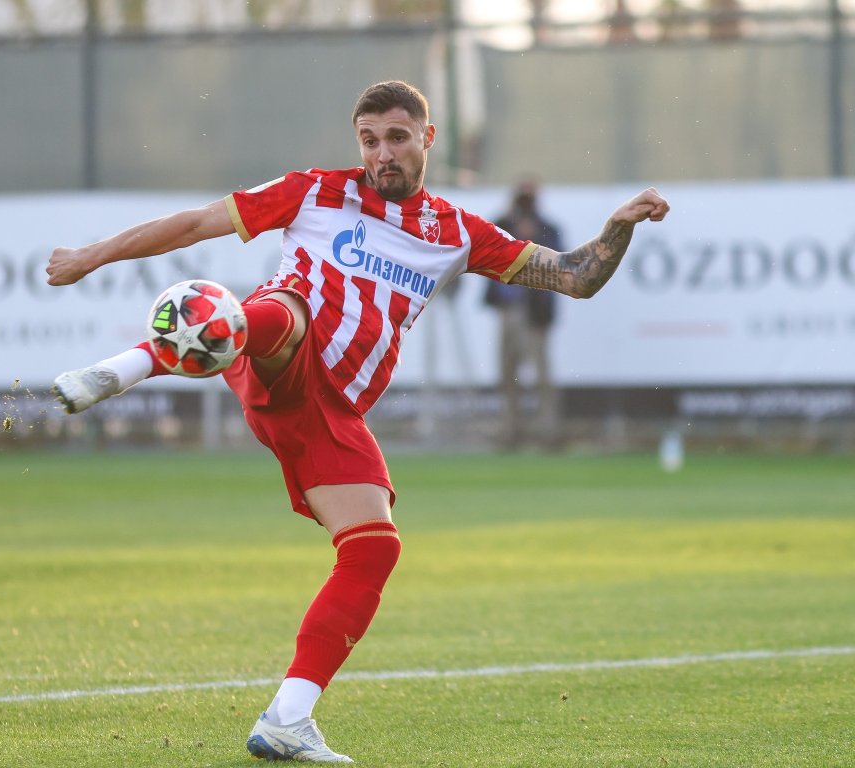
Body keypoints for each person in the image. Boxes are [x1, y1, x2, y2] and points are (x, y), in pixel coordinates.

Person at [45, 80, 670, 763]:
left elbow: (574, 277)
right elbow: (196, 224)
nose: (382, 154)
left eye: (397, 138)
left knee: (374, 549)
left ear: (428, 138)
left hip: (330, 412)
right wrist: (89, 257)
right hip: (282, 351)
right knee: (286, 311)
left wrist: (618, 226)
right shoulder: (315, 191)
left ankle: (288, 718)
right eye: (369, 141)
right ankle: (128, 365)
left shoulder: (458, 233)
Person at [485, 177, 564, 448]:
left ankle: (548, 430)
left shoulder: (547, 228)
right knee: (507, 373)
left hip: (535, 310)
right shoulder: (502, 224)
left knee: (541, 373)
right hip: (509, 309)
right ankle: (510, 430)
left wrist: (533, 235)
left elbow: (558, 265)